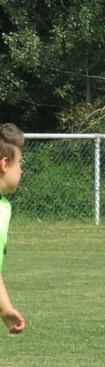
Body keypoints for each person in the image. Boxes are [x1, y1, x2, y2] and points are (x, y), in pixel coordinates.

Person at [0, 123, 26, 335]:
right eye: (20, 163)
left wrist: (5, 308)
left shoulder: (4, 207)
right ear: (5, 164)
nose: (21, 170)